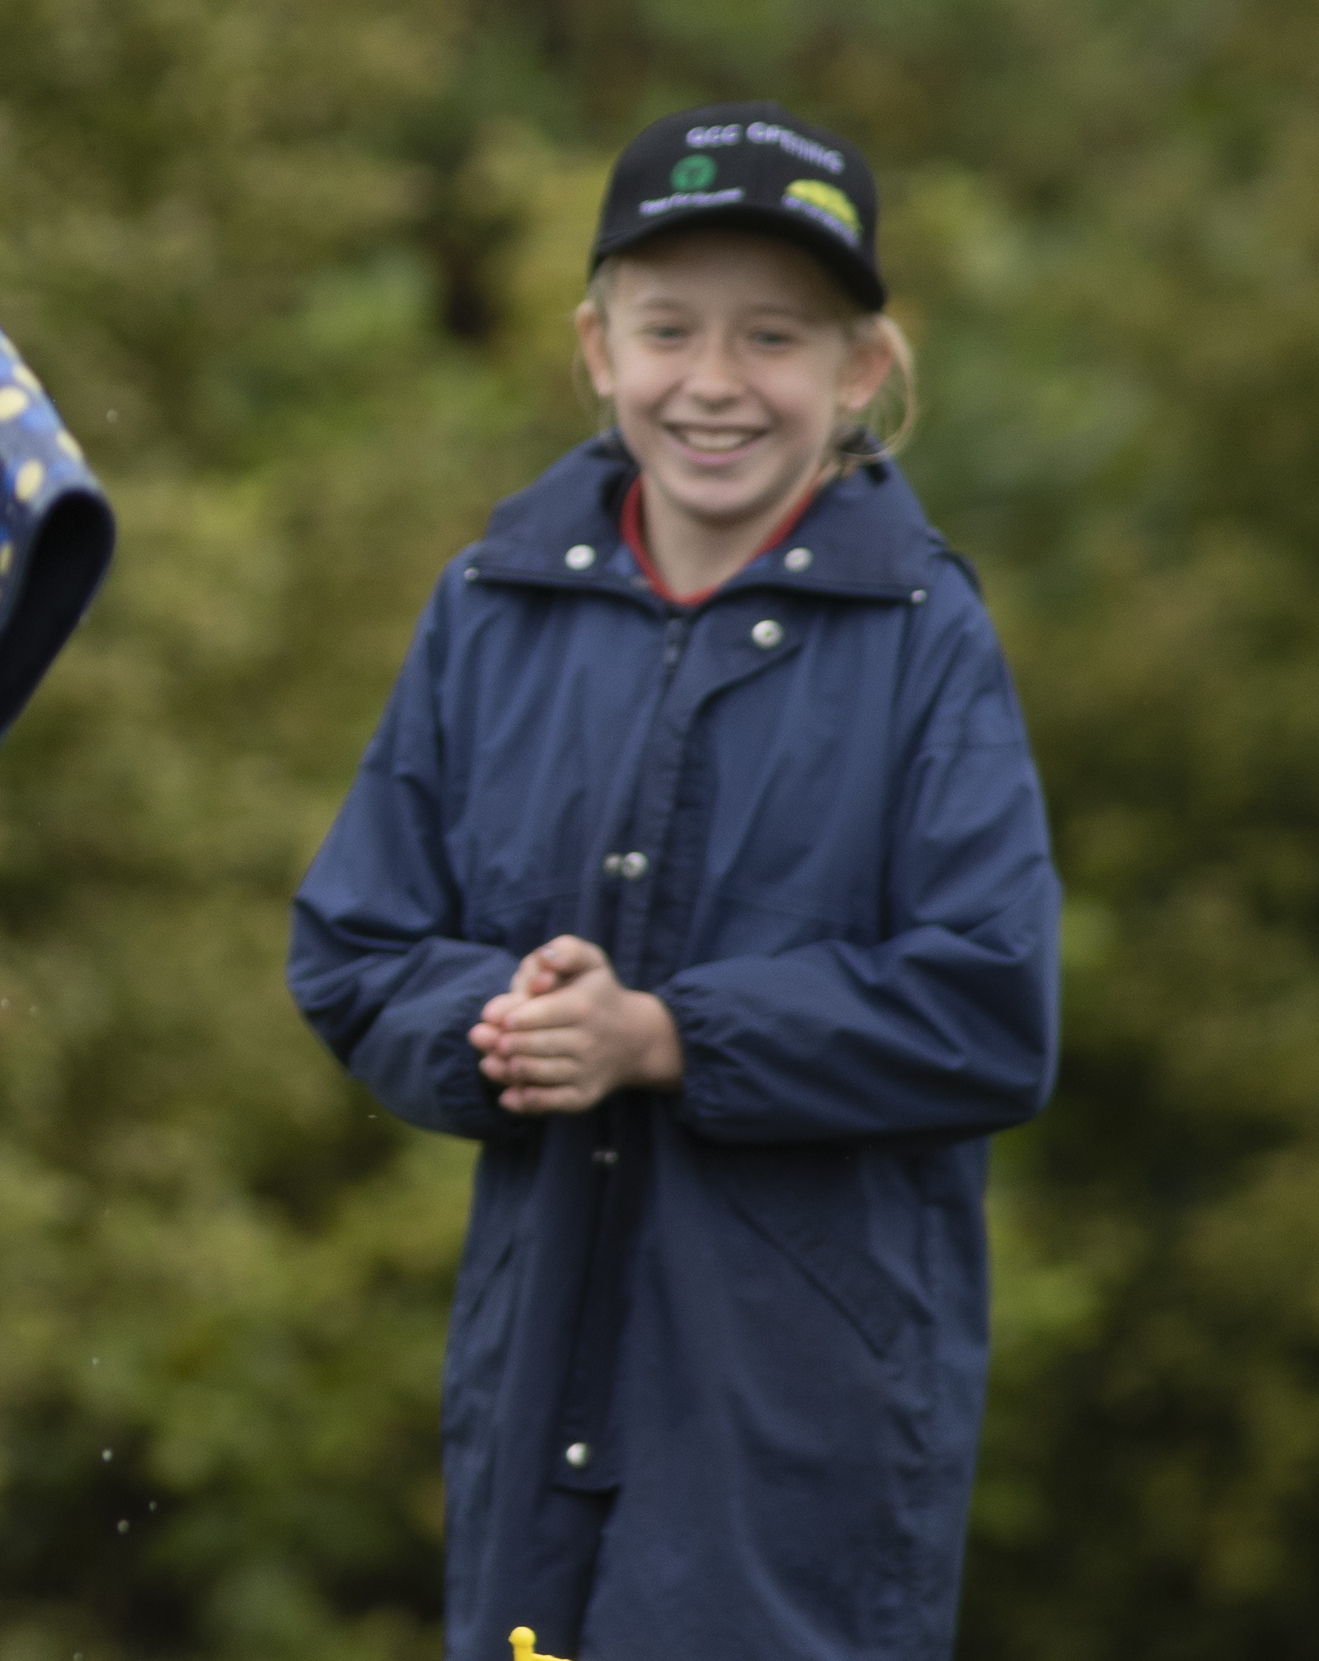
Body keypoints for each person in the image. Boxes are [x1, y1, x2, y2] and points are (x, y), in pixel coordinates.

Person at [287, 103, 1061, 1661]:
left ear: (860, 369)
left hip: (807, 1428)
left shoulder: (925, 636)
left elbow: (990, 1003)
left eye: (773, 337)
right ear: (596, 347)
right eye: (669, 331)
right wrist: (506, 1024)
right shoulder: (489, 607)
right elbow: (358, 947)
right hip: (530, 1394)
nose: (714, 383)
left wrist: (668, 1038)